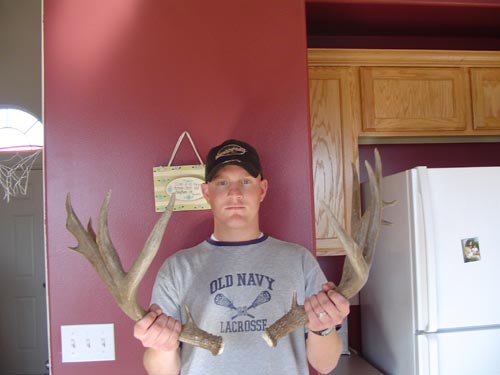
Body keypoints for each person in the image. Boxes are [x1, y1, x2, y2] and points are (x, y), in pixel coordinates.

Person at [134, 139, 350, 375]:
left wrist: (324, 329)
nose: (234, 193)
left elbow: (325, 364)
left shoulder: (299, 260)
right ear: (207, 192)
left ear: (262, 190)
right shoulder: (177, 268)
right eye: (222, 182)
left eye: (246, 181)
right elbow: (161, 372)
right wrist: (161, 345)